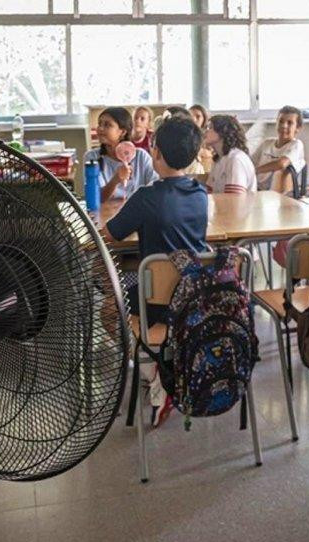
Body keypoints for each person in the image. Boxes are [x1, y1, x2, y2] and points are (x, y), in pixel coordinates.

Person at [104, 117, 208, 427]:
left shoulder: (147, 197)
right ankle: (162, 366)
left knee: (108, 310)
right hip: (192, 294)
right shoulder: (200, 194)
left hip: (156, 298)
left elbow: (112, 234)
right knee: (141, 283)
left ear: (155, 152)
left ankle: (155, 371)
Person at [83, 106, 158, 201]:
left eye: (107, 125)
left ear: (122, 132)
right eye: (99, 124)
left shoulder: (141, 156)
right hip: (106, 214)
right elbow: (95, 198)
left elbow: (157, 186)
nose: (100, 129)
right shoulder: (92, 157)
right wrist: (115, 180)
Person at [252, 105, 306, 191]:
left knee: (281, 172)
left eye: (290, 123)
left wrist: (256, 170)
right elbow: (250, 161)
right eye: (281, 121)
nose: (284, 126)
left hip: (280, 190)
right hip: (257, 188)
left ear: (297, 128)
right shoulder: (267, 143)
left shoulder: (296, 145)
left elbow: (281, 164)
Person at [205, 114, 257, 194]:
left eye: (210, 127)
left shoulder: (236, 159)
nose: (206, 131)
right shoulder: (219, 159)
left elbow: (234, 200)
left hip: (238, 206)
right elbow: (208, 193)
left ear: (223, 132)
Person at [190, 104, 214, 173]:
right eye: (190, 116)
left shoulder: (209, 135)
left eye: (198, 116)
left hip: (206, 169)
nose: (194, 119)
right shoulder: (183, 135)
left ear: (204, 119)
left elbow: (210, 154)